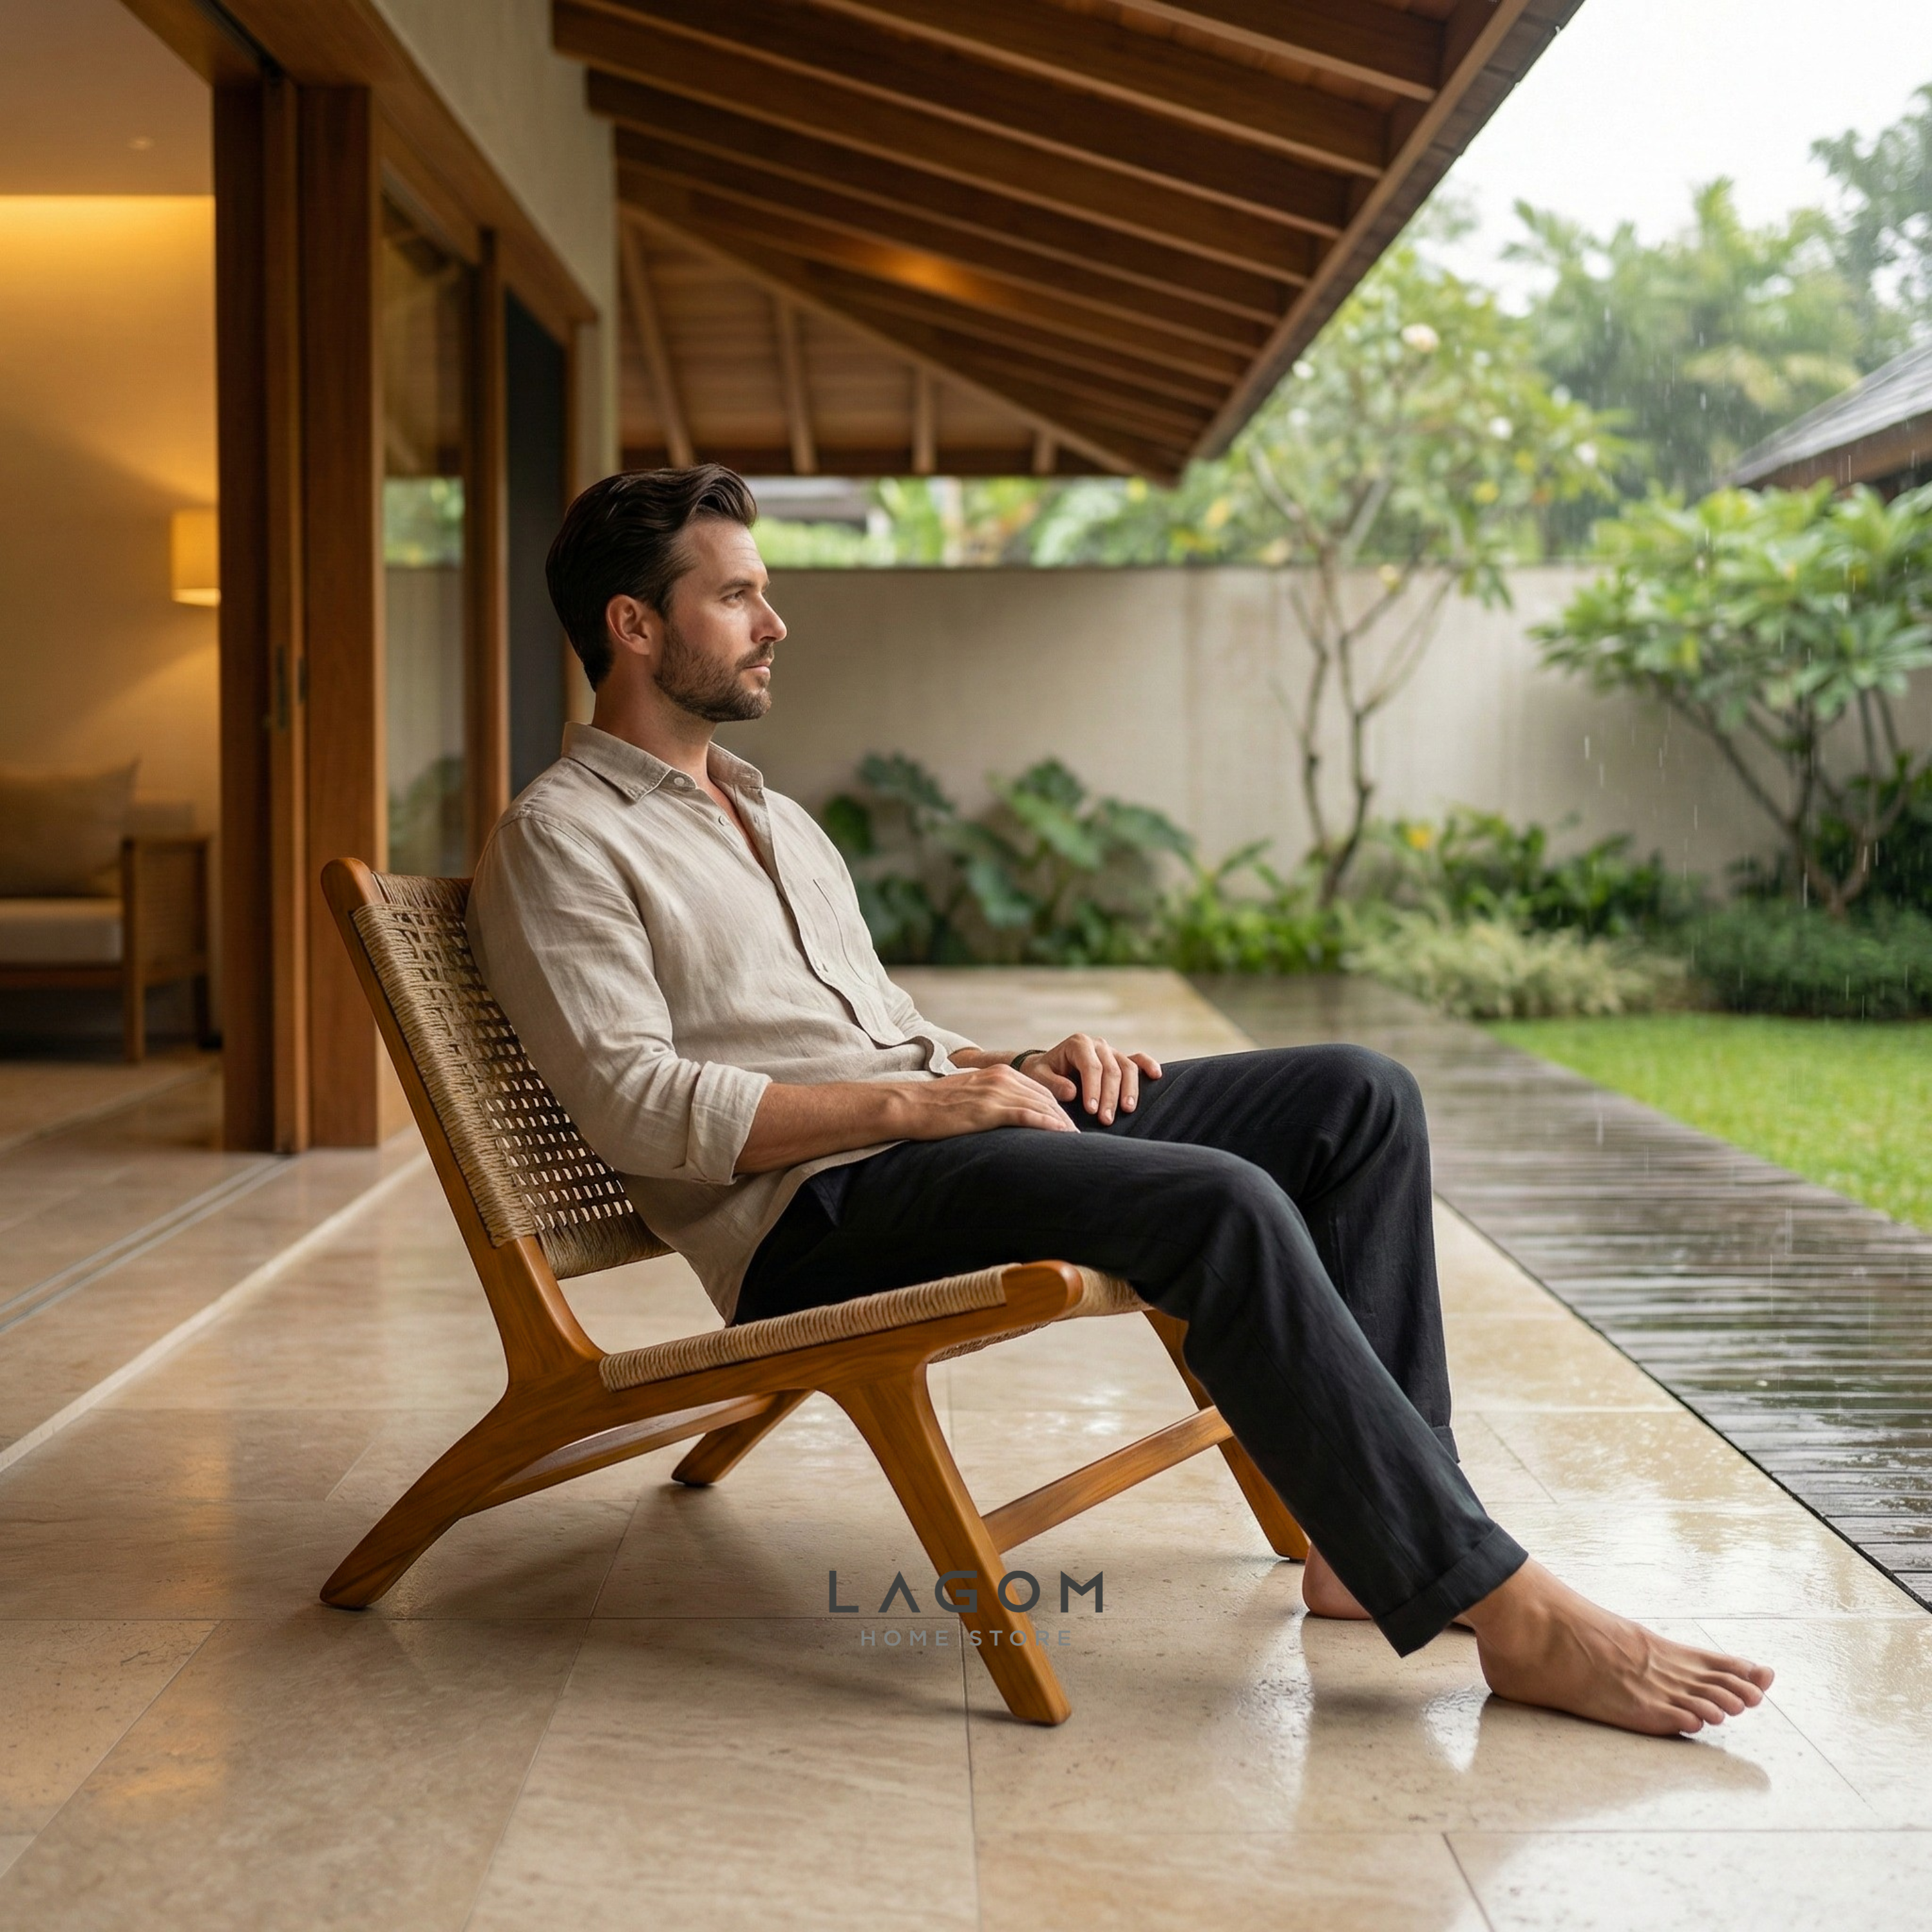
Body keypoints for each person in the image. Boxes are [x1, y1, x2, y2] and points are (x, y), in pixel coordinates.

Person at [467, 465, 1774, 1739]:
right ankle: (1508, 1606)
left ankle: (1363, 1540)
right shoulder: (561, 837)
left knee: (1358, 1097)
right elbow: (637, 1105)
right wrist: (914, 1112)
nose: (776, 623)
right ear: (634, 627)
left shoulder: (770, 814)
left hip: (930, 1140)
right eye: (738, 596)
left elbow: (891, 1032)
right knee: (1220, 1204)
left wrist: (1019, 1065)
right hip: (815, 1216)